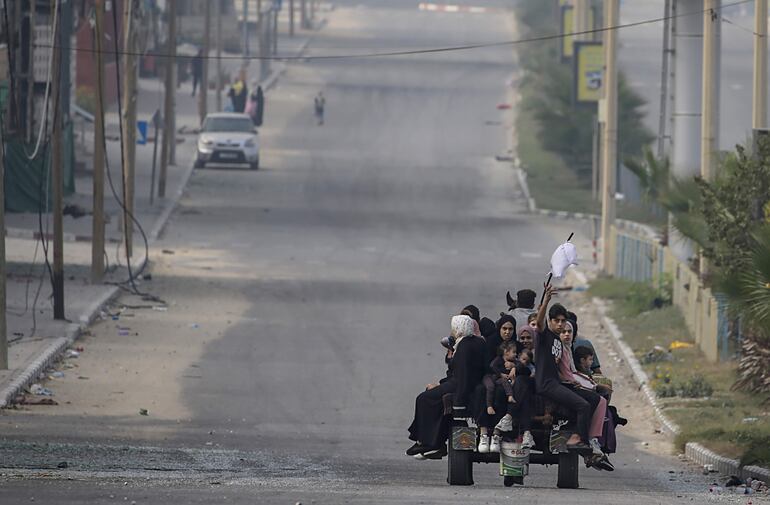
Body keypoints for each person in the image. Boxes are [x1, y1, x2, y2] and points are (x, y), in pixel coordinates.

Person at [407, 314, 487, 459]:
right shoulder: (478, 342)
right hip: (464, 384)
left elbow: (462, 376)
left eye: (454, 329)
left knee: (424, 399)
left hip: (459, 386)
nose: (452, 332)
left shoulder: (464, 346)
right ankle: (434, 441)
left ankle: (427, 442)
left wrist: (459, 400)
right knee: (432, 396)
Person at [533, 286, 599, 453]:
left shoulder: (558, 340)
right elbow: (539, 323)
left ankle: (572, 429)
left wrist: (569, 381)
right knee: (583, 406)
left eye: (563, 321)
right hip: (546, 385)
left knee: (593, 399)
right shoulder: (545, 335)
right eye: (557, 321)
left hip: (557, 383)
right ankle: (578, 439)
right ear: (551, 321)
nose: (561, 324)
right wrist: (546, 300)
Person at [556, 321, 610, 469]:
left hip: (571, 382)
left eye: (569, 332)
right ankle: (585, 438)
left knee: (599, 399)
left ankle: (591, 440)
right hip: (562, 386)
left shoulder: (568, 349)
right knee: (590, 401)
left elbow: (572, 372)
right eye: (563, 332)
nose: (566, 334)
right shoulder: (557, 349)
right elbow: (560, 373)